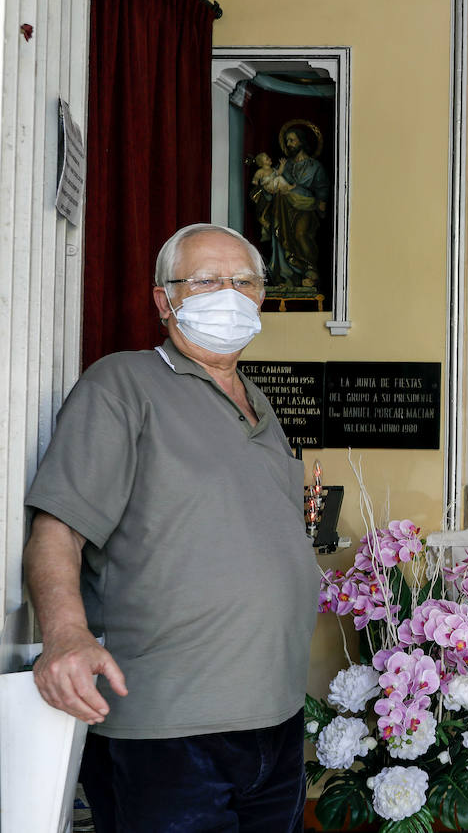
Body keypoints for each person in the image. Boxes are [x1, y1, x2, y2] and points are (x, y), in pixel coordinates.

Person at [23, 223, 318, 832]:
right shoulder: (122, 385)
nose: (228, 294)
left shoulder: (259, 404)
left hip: (278, 721)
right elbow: (59, 529)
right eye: (206, 280)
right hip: (169, 732)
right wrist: (65, 634)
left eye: (243, 281)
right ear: (164, 300)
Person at [252, 124, 328, 290]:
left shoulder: (315, 166)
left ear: (301, 142)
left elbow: (322, 188)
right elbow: (274, 184)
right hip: (283, 209)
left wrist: (321, 202)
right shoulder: (285, 165)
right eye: (287, 141)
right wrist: (266, 190)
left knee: (301, 234)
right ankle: (287, 277)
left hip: (305, 208)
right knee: (281, 238)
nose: (289, 144)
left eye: (292, 140)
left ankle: (310, 271)